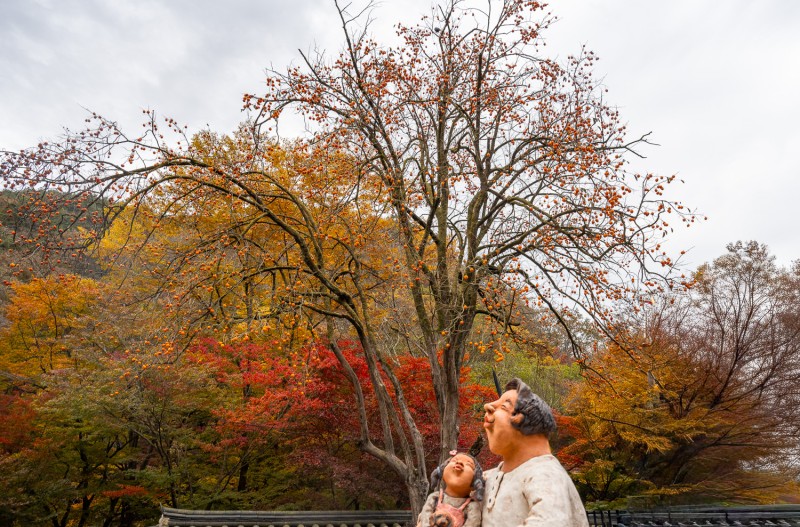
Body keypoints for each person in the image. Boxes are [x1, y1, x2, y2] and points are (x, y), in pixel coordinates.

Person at [481, 378, 589, 527]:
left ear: (522, 419)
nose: (488, 405)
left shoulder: (545, 475)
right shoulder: (487, 478)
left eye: (504, 406)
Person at [416, 451, 484, 527]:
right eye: (454, 460)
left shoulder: (472, 506)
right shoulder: (435, 497)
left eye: (468, 464)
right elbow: (426, 515)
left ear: (475, 482)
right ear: (442, 473)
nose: (459, 462)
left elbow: (473, 523)